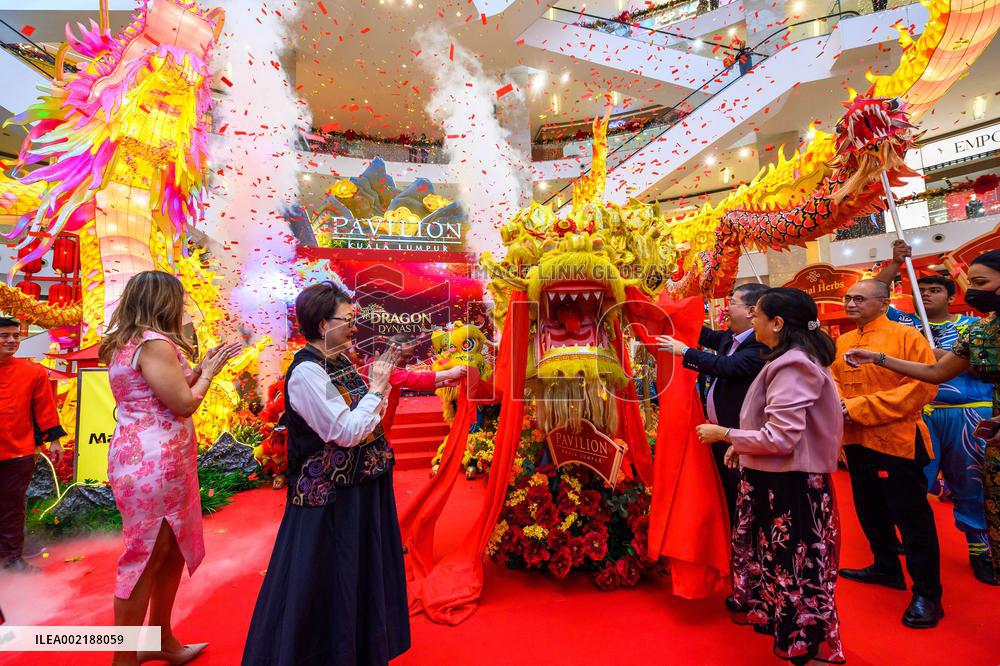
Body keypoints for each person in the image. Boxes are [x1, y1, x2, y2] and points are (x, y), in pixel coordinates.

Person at [243, 281, 409, 666]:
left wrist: (377, 392)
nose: (355, 327)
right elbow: (347, 432)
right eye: (348, 320)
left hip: (358, 492)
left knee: (353, 583)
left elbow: (365, 421)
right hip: (329, 503)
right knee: (325, 586)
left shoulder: (339, 361)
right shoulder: (306, 374)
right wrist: (379, 387)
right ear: (322, 324)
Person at [98, 271, 242, 666]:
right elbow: (182, 403)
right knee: (145, 556)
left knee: (170, 550)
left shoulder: (126, 342)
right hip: (155, 464)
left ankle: (162, 638)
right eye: (178, 299)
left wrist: (198, 369)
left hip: (149, 459)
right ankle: (124, 658)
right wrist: (209, 374)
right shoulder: (155, 343)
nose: (182, 308)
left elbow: (160, 392)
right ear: (163, 301)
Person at [696, 288, 844, 664]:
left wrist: (726, 434)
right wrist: (743, 444)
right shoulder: (787, 358)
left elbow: (782, 436)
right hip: (774, 476)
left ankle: (802, 642)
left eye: (758, 316)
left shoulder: (793, 364)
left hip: (790, 483)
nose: (753, 322)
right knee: (776, 560)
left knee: (796, 566)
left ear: (777, 323)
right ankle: (780, 623)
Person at [844, 249, 1000, 586]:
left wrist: (953, 357)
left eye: (935, 290)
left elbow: (955, 367)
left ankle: (979, 548)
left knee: (969, 484)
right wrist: (897, 264)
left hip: (968, 415)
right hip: (918, 417)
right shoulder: (907, 325)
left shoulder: (973, 326)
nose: (926, 295)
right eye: (921, 291)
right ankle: (892, 557)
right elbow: (873, 293)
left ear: (951, 295)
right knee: (914, 493)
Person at [830, 279, 943, 628]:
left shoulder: (906, 337)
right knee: (869, 509)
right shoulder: (843, 341)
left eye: (859, 299)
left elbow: (923, 386)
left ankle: (927, 594)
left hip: (897, 440)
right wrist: (839, 403)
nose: (850, 304)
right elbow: (831, 379)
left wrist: (859, 406)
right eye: (848, 298)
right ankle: (886, 567)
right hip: (856, 441)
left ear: (884, 302)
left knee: (912, 519)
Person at [657, 282, 769, 524]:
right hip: (720, 435)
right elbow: (704, 334)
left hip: (742, 436)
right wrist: (668, 314)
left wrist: (685, 352)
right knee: (729, 495)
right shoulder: (731, 337)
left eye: (732, 303)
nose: (725, 309)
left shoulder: (762, 344)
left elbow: (728, 367)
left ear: (751, 311)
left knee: (747, 499)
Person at [0, 317, 66, 573]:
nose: (11, 340)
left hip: (18, 452)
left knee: (12, 507)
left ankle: (12, 559)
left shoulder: (33, 371)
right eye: (5, 335)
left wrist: (55, 441)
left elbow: (45, 409)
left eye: (15, 335)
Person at [380, 333, 465, 437]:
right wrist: (449, 373)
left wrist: (444, 383)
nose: (407, 362)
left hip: (382, 424)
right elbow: (414, 380)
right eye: (405, 357)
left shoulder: (387, 365)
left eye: (410, 358)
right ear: (392, 350)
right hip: (374, 426)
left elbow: (413, 383)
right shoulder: (382, 367)